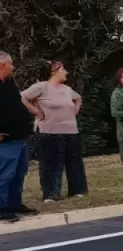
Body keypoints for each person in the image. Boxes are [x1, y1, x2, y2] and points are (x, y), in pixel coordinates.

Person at [22, 61, 87, 203]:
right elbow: (22, 97)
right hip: (49, 131)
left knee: (74, 161)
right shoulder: (41, 87)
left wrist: (74, 111)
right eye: (63, 69)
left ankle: (77, 191)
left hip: (71, 131)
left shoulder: (67, 89)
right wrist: (35, 111)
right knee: (50, 163)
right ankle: (51, 194)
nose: (66, 72)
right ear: (54, 72)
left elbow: (78, 98)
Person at [0, 51, 37, 223]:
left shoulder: (9, 83)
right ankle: (1, 208)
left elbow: (17, 101)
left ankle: (14, 204)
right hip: (5, 140)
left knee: (19, 173)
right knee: (4, 174)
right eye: (11, 64)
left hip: (20, 136)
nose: (13, 67)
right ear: (2, 66)